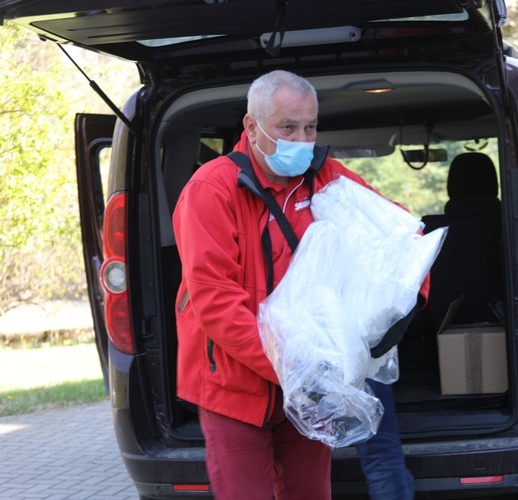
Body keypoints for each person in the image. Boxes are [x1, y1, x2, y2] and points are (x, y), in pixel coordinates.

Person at [172, 69, 426, 500]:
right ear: (251, 127)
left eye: (310, 127)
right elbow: (215, 300)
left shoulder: (325, 176)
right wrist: (296, 369)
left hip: (312, 386)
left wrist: (396, 313)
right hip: (236, 385)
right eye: (287, 127)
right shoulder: (212, 188)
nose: (302, 140)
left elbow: (398, 235)